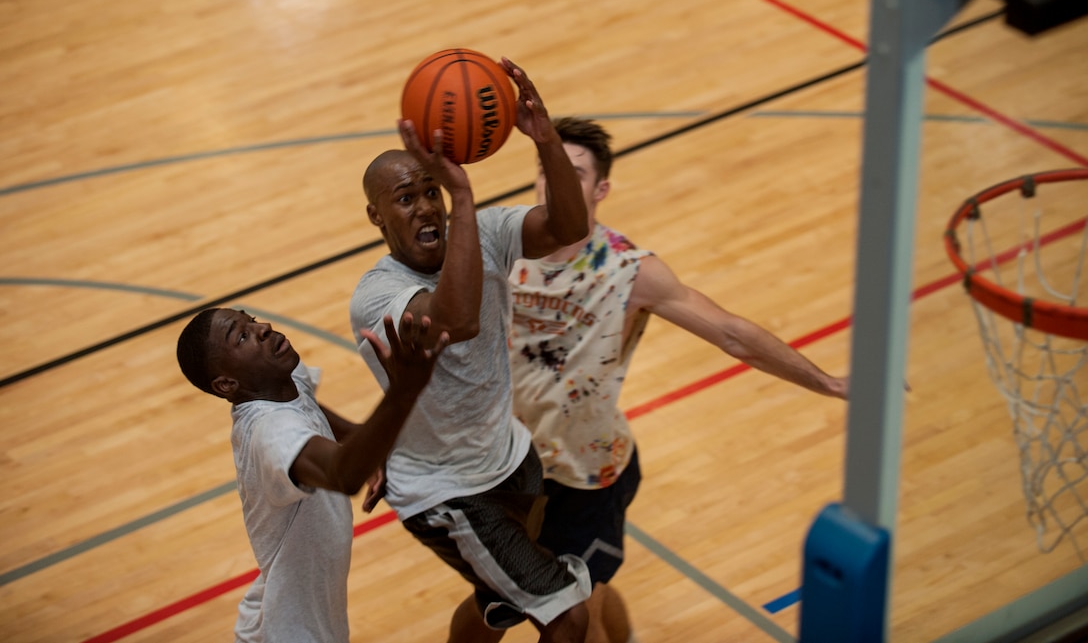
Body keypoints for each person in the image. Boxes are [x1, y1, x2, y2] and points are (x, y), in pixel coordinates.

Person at [506, 116, 851, 643]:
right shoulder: (500, 251)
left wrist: (825, 382)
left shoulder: (627, 268)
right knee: (557, 597)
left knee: (574, 618)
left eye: (572, 173)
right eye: (547, 168)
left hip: (588, 475)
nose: (555, 181)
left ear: (601, 190)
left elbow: (732, 334)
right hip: (516, 471)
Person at [348, 58, 592, 643]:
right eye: (407, 199)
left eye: (430, 191)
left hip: (510, 460)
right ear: (376, 217)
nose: (427, 207)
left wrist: (545, 139)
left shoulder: (481, 233)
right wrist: (460, 190)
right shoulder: (377, 296)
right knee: (566, 616)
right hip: (445, 492)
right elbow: (454, 320)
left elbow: (568, 225)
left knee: (497, 608)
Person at [176, 307, 448, 643]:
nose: (262, 329)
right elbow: (342, 474)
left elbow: (310, 408)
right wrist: (403, 391)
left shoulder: (280, 378)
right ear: (227, 383)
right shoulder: (270, 433)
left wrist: (359, 441)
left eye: (252, 320)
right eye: (242, 335)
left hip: (288, 610)